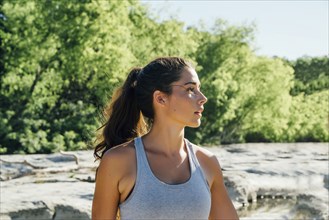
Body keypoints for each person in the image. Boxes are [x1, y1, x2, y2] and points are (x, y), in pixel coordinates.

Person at [92, 57, 239, 220]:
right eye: (190, 89)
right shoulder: (118, 161)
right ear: (160, 98)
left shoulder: (207, 162)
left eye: (199, 89)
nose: (202, 97)